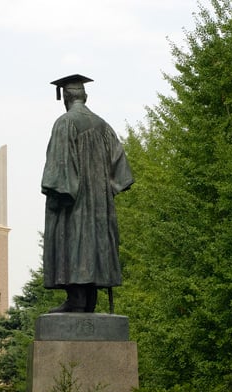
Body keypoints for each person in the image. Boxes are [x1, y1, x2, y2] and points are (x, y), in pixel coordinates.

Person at [41, 74, 134, 313]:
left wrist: (59, 196)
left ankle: (76, 299)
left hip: (75, 205)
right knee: (94, 244)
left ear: (66, 98)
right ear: (85, 96)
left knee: (76, 240)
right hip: (101, 208)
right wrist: (103, 193)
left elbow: (59, 175)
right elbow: (123, 175)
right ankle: (87, 300)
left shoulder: (65, 123)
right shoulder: (104, 126)